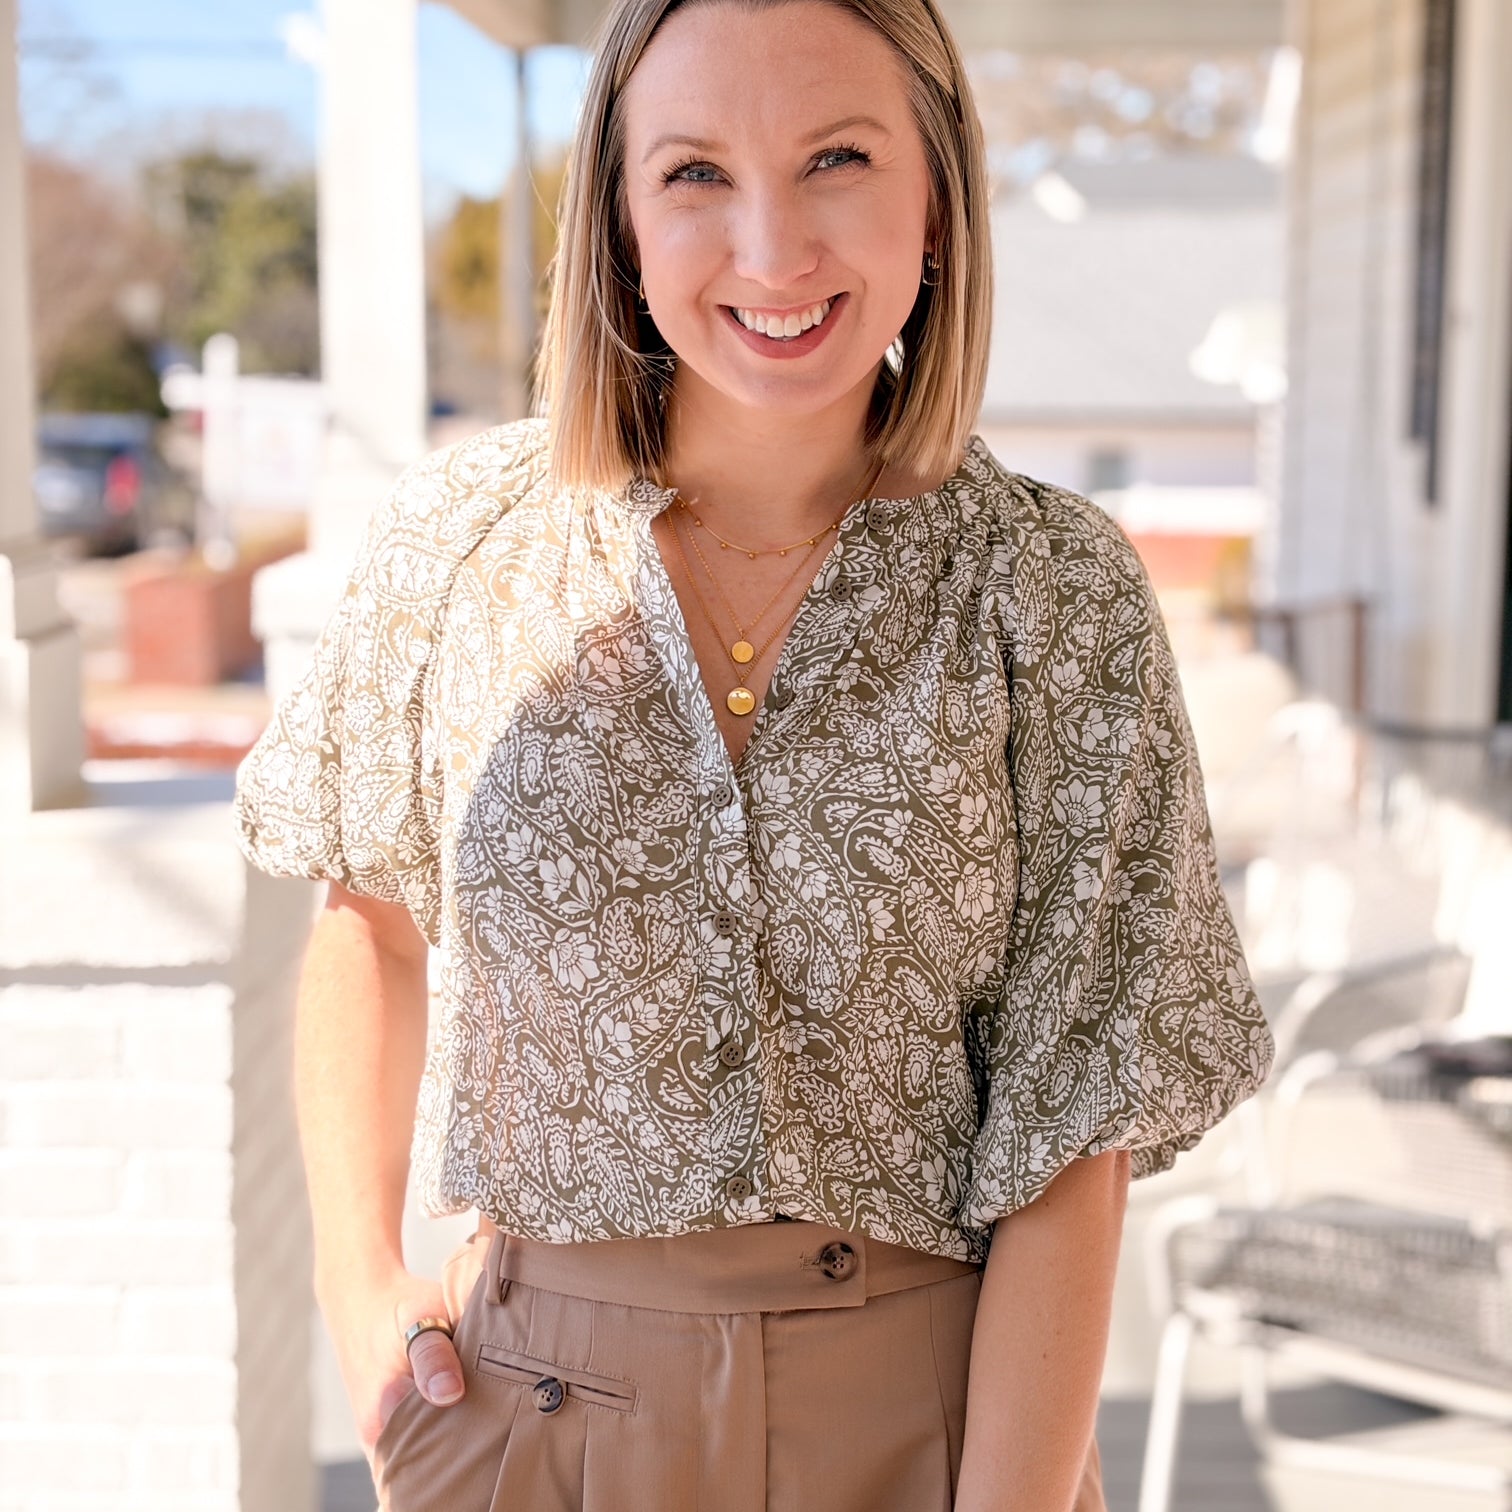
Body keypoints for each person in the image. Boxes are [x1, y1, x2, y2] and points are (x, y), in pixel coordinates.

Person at [232, 0, 1275, 1507]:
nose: (773, 249)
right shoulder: (456, 550)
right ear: (621, 222)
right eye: (696, 174)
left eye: (838, 157)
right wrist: (359, 1295)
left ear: (936, 201)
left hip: (931, 1422)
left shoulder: (1055, 592)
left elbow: (1074, 1120)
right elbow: (366, 924)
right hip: (523, 1421)